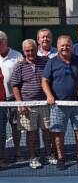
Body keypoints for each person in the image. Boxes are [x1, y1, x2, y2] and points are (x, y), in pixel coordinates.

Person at [42, 35, 78, 170]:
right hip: (58, 104)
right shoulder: (51, 62)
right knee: (58, 133)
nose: (65, 48)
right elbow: (44, 80)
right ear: (57, 47)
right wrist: (49, 96)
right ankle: (61, 158)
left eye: (67, 45)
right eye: (62, 45)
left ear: (71, 46)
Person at [11, 40, 56, 169]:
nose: (30, 53)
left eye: (32, 50)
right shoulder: (19, 66)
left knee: (47, 132)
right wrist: (20, 104)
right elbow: (15, 86)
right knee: (31, 133)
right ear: (23, 51)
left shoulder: (45, 61)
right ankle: (33, 157)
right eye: (27, 50)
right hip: (28, 105)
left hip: (44, 104)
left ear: (36, 49)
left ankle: (49, 155)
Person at [0, 31, 23, 163]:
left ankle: (17, 153)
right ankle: (2, 156)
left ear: (5, 42)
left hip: (14, 99)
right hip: (0, 101)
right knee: (1, 130)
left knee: (16, 127)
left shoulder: (17, 56)